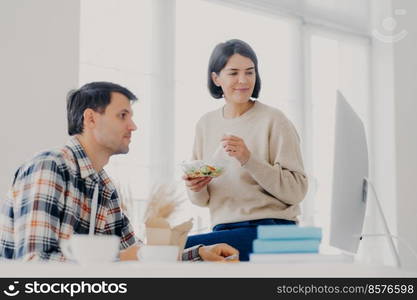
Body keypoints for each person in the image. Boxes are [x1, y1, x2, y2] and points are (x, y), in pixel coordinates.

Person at [0, 81, 238, 262]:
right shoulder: (49, 167)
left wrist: (200, 253)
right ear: (90, 119)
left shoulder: (104, 186)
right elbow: (33, 264)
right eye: (123, 115)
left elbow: (138, 253)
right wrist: (121, 259)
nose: (133, 126)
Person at [183, 39, 308, 261]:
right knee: (173, 249)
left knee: (174, 248)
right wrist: (195, 186)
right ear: (216, 78)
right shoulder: (205, 124)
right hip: (223, 230)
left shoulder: (274, 120)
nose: (243, 80)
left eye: (249, 72)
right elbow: (201, 200)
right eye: (233, 73)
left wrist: (248, 159)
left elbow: (297, 191)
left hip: (271, 230)